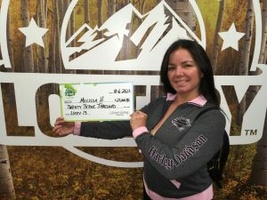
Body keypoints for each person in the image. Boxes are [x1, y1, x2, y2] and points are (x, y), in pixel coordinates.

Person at [53, 39, 226, 200]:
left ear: (202, 70)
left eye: (187, 65)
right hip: (150, 192)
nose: (178, 73)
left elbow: (173, 165)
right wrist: (76, 127)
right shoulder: (161, 103)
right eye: (171, 68)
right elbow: (121, 126)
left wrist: (140, 132)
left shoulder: (211, 118)